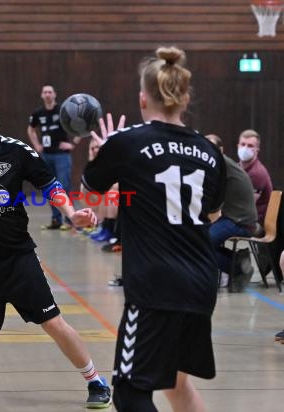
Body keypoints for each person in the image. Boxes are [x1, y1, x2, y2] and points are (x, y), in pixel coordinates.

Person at [0, 90, 112, 409]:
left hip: (18, 257)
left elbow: (50, 185)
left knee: (53, 321)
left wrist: (71, 213)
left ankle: (95, 380)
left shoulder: (17, 152)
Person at [82, 47, 226, 411]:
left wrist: (101, 157)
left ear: (143, 99)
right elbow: (212, 213)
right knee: (176, 383)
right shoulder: (209, 152)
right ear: (185, 96)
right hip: (201, 282)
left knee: (130, 391)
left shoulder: (126, 142)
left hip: (155, 285)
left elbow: (95, 203)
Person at [206, 134, 257, 291]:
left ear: (220, 150)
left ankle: (238, 269)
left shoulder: (219, 164)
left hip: (240, 221)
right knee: (200, 238)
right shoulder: (223, 163)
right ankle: (238, 260)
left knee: (201, 243)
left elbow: (208, 196)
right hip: (236, 217)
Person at [27, 85, 75, 230]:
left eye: (50, 92)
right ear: (42, 95)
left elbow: (79, 123)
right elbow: (31, 129)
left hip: (61, 155)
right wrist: (37, 145)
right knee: (49, 187)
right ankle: (56, 219)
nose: (47, 94)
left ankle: (70, 219)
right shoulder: (38, 113)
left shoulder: (63, 110)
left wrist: (72, 144)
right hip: (46, 155)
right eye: (45, 92)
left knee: (64, 186)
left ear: (54, 94)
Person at [237, 129, 273, 223]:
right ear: (238, 146)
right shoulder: (237, 168)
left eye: (250, 146)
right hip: (238, 218)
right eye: (243, 144)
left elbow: (247, 207)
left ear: (257, 150)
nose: (245, 148)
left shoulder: (257, 173)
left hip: (253, 223)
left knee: (211, 235)